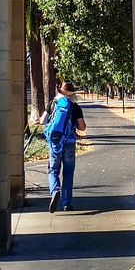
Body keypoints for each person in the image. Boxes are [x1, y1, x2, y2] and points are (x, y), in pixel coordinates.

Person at [40, 80, 86, 212]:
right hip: (69, 143)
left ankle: (54, 191)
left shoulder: (53, 104)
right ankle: (67, 203)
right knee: (68, 173)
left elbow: (42, 120)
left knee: (53, 169)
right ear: (72, 93)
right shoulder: (75, 107)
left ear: (60, 90)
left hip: (55, 142)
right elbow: (82, 127)